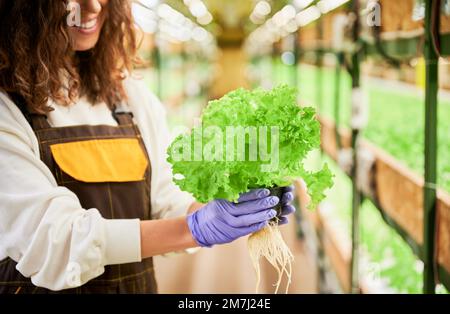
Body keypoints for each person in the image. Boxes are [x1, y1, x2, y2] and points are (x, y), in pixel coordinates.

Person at [0, 0, 295, 294]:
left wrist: (224, 209)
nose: (92, 7)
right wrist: (193, 228)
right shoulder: (7, 105)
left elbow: (164, 198)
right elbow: (54, 241)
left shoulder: (128, 94)